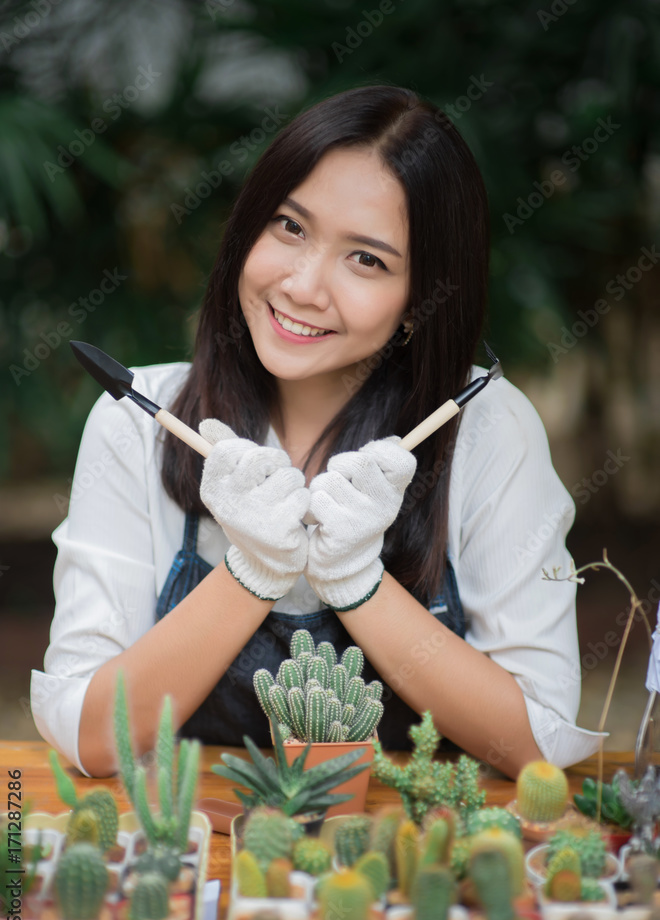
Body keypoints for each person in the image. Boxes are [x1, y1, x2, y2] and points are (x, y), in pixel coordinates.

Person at [31, 84, 605, 780]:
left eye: (366, 259)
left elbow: (536, 747)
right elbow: (91, 739)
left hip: (411, 857)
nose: (304, 285)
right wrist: (251, 574)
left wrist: (357, 582)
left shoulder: (487, 427)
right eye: (289, 227)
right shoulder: (139, 417)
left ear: (423, 299)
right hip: (200, 849)